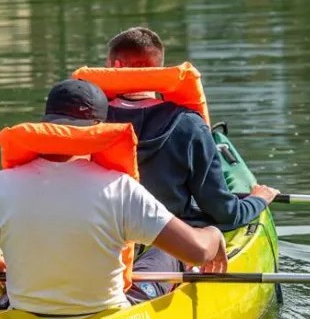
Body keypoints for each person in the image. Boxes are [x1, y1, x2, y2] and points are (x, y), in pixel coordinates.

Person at [0, 79, 228, 317]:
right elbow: (197, 252)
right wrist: (213, 235)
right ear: (99, 130)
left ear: (46, 124)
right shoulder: (120, 188)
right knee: (169, 253)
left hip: (25, 318)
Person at [102, 26, 279, 231]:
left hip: (104, 232)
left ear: (115, 66)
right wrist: (258, 200)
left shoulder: (90, 123)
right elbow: (224, 212)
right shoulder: (189, 125)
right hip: (171, 236)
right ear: (159, 69)